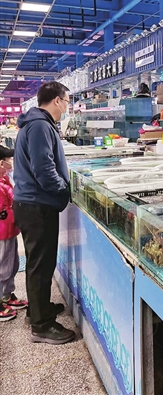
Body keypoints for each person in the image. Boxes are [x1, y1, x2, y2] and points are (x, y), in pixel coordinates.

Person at [13, 82, 75, 344]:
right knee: (40, 265)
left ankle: (39, 310)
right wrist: (64, 190)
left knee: (39, 263)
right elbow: (44, 169)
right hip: (37, 206)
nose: (67, 107)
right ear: (57, 100)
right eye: (67, 101)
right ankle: (42, 326)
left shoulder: (36, 123)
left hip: (31, 203)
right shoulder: (40, 125)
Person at [0, 145, 28, 321]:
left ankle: (7, 295)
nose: (10, 163)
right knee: (2, 266)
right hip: (2, 233)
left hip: (10, 231)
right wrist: (19, 214)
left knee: (12, 264)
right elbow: (5, 211)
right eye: (7, 160)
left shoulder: (4, 180)